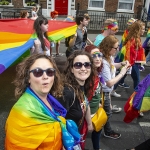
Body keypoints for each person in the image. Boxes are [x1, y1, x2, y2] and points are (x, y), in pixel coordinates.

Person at [5, 54, 81, 149]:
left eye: (50, 72)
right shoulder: (22, 112)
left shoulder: (50, 100)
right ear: (28, 77)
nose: (45, 76)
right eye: (38, 72)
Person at [57, 50, 96, 149]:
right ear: (71, 69)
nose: (83, 68)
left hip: (76, 136)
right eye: (78, 65)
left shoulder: (82, 85)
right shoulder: (68, 92)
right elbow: (57, 123)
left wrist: (89, 123)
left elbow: (85, 104)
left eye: (87, 65)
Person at [99, 35, 130, 139]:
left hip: (106, 91)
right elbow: (109, 83)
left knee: (107, 111)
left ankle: (101, 129)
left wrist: (121, 64)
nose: (118, 50)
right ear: (109, 47)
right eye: (116, 48)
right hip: (104, 92)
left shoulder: (108, 56)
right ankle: (107, 132)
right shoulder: (103, 61)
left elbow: (113, 65)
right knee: (108, 113)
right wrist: (122, 73)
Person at [112, 18, 137, 97]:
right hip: (129, 58)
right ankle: (136, 96)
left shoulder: (129, 33)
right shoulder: (130, 34)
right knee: (136, 77)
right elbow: (126, 45)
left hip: (129, 58)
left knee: (123, 73)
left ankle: (115, 87)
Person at [85, 45, 103, 150]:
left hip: (95, 111)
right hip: (87, 114)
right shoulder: (87, 75)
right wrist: (88, 122)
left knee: (98, 130)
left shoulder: (96, 72)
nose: (97, 58)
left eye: (99, 55)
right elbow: (84, 100)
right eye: (94, 56)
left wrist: (99, 101)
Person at [117, 20, 146, 89]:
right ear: (137, 30)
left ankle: (111, 90)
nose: (144, 31)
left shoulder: (135, 38)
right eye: (142, 29)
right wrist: (130, 65)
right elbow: (130, 53)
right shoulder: (135, 40)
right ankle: (136, 96)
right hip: (133, 63)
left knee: (121, 76)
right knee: (137, 79)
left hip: (132, 63)